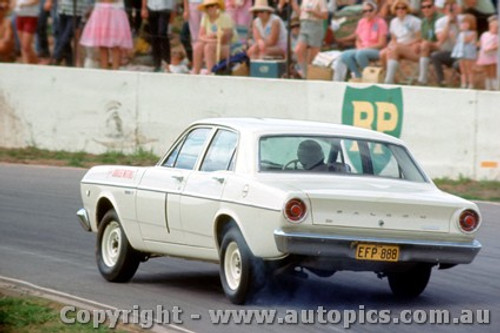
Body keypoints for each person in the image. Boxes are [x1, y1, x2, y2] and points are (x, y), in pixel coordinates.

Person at [333, 0, 388, 81]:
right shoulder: (361, 22)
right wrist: (359, 47)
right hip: (362, 49)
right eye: (365, 11)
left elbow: (382, 43)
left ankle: (368, 76)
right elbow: (358, 39)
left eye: (370, 10)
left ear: (375, 11)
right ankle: (357, 75)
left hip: (376, 50)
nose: (367, 13)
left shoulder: (380, 22)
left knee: (360, 54)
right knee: (345, 55)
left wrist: (366, 48)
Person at [80, 0, 133, 70]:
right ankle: (104, 70)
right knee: (102, 45)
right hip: (101, 10)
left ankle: (115, 71)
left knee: (116, 45)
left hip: (115, 11)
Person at [379, 0, 421, 84]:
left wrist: (403, 45)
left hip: (412, 48)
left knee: (396, 48)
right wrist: (391, 46)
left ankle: (388, 81)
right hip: (398, 48)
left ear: (407, 9)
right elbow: (393, 39)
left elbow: (419, 38)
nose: (400, 10)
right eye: (398, 8)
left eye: (403, 8)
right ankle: (393, 78)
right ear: (395, 10)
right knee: (383, 53)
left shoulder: (414, 21)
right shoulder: (393, 22)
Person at [192, 0, 237, 74]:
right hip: (213, 43)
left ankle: (211, 72)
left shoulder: (225, 17)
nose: (210, 8)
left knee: (209, 47)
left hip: (229, 47)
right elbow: (200, 36)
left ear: (217, 6)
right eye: (207, 6)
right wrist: (211, 39)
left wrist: (211, 37)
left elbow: (226, 38)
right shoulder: (205, 17)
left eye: (212, 6)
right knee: (198, 47)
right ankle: (196, 72)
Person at [291, 0, 328, 78]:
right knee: (298, 50)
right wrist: (294, 4)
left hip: (315, 25)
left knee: (313, 55)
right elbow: (301, 14)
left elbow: (325, 16)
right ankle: (304, 73)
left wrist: (314, 12)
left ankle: (311, 74)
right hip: (304, 25)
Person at [431, 0, 463, 86]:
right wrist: (448, 23)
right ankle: (441, 81)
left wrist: (456, 23)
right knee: (435, 56)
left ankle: (462, 81)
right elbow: (441, 40)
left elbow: (466, 35)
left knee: (457, 64)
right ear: (445, 10)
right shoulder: (440, 22)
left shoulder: (463, 19)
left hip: (461, 53)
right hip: (448, 52)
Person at [46, 0, 88, 66]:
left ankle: (56, 56)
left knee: (67, 36)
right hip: (62, 9)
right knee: (63, 38)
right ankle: (70, 63)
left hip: (76, 12)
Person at [141, 0, 175, 72]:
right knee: (154, 36)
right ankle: (157, 63)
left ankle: (167, 61)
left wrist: (173, 10)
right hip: (151, 7)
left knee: (162, 33)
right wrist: (144, 8)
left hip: (165, 8)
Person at [417, 0, 442, 85]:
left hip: (442, 45)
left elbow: (441, 40)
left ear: (434, 7)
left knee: (425, 45)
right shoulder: (423, 21)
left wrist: (425, 43)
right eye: (423, 7)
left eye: (429, 6)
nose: (426, 9)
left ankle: (422, 79)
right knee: (419, 45)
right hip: (429, 47)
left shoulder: (440, 18)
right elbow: (423, 38)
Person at [451, 13, 477, 88]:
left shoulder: (473, 33)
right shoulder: (461, 34)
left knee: (469, 69)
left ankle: (471, 83)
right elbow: (458, 42)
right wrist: (453, 37)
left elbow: (466, 40)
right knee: (462, 69)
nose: (464, 24)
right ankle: (463, 83)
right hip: (461, 53)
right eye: (463, 23)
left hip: (468, 53)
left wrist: (464, 31)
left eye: (466, 23)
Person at [476, 15, 497, 90]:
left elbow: (496, 46)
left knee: (493, 70)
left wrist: (491, 48)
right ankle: (488, 85)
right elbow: (481, 43)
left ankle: (494, 85)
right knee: (487, 71)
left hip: (492, 55)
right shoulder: (485, 35)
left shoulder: (497, 36)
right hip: (485, 55)